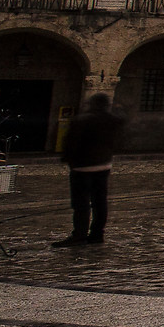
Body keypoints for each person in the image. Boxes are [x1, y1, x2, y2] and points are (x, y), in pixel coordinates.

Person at [52, 92, 125, 247]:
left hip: (82, 167)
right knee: (100, 202)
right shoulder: (113, 120)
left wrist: (68, 159)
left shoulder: (82, 120)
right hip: (104, 165)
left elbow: (71, 142)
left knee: (81, 203)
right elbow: (121, 133)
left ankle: (79, 235)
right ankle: (97, 234)